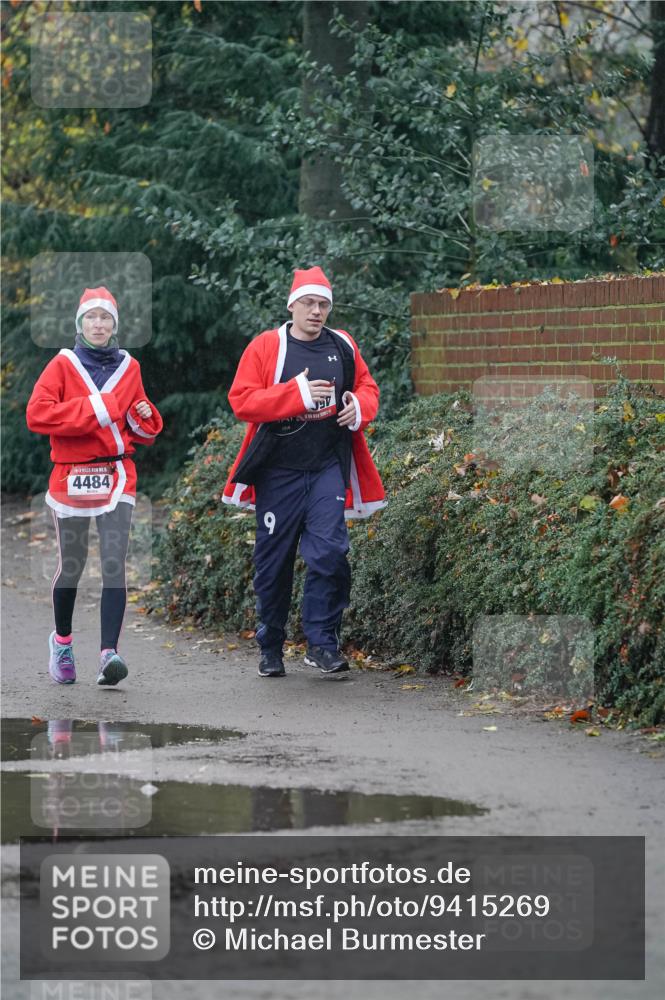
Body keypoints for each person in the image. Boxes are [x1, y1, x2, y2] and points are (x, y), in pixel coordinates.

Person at [223, 266, 386, 678]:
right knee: (273, 563)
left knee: (331, 552)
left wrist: (358, 406)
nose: (317, 311)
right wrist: (295, 394)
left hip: (327, 466)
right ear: (292, 305)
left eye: (324, 304)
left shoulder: (343, 345)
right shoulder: (266, 347)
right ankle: (271, 645)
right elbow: (241, 400)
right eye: (310, 303)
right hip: (278, 472)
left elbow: (368, 387)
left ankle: (321, 643)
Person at [26, 286, 163, 686]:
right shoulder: (62, 365)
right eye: (92, 317)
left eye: (106, 318)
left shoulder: (129, 367)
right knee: (73, 564)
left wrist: (142, 414)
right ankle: (63, 642)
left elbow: (139, 424)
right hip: (71, 474)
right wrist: (95, 409)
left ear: (114, 325)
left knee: (114, 562)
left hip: (117, 474)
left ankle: (109, 655)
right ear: (80, 323)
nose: (99, 324)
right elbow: (38, 415)